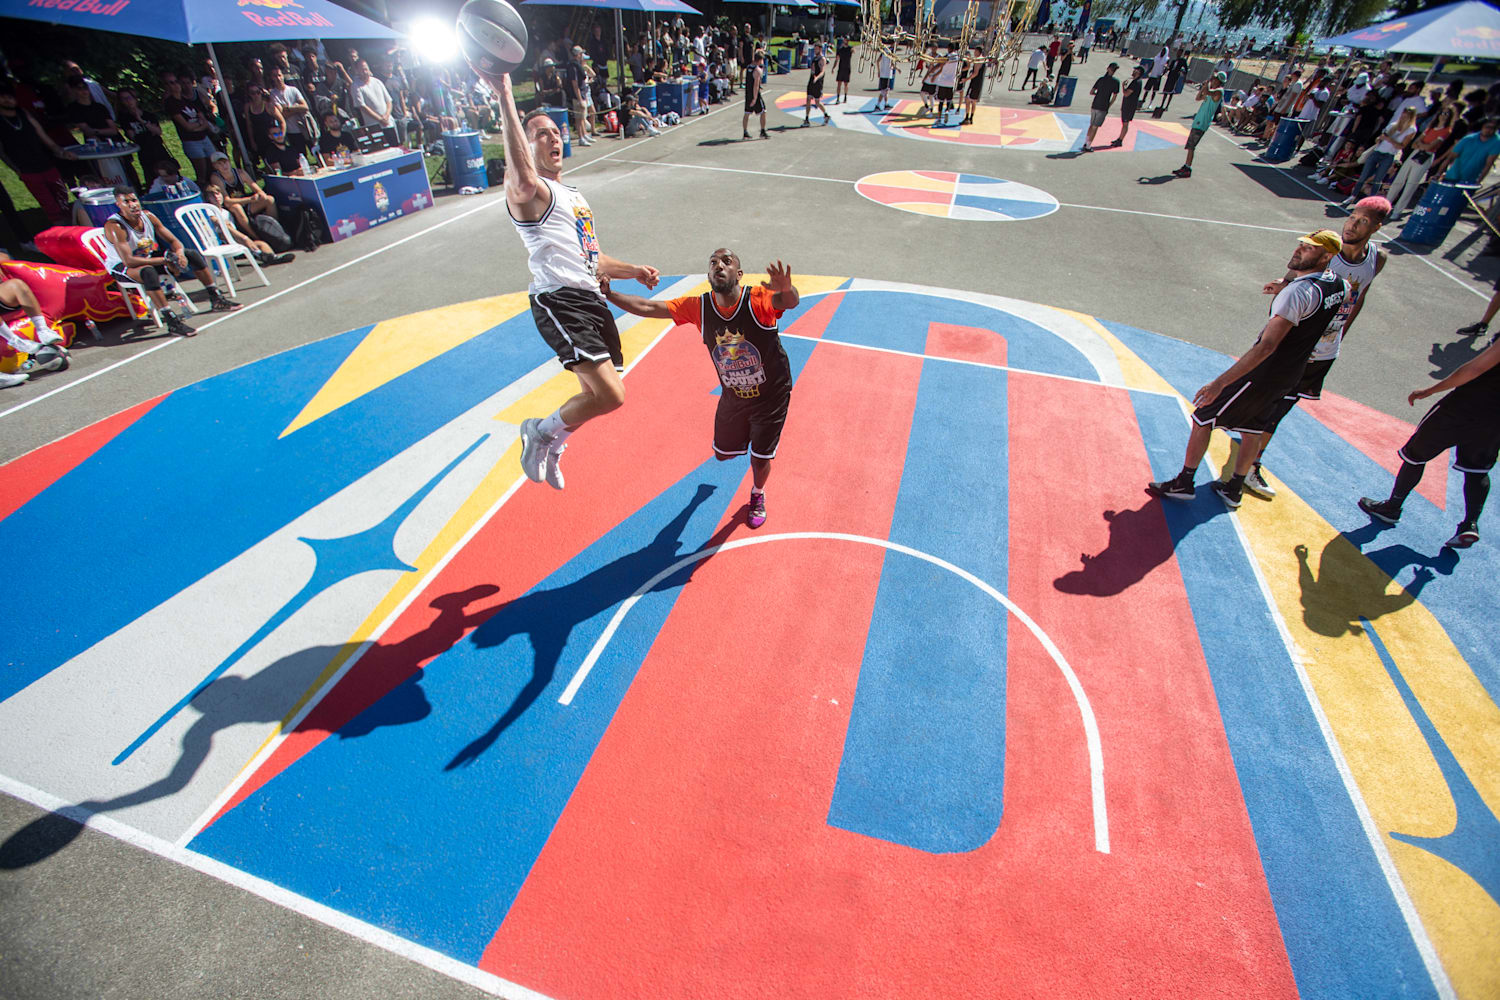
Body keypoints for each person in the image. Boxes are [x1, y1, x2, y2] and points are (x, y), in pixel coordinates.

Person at [491, 70, 660, 491]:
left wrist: (634, 269)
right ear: (525, 147)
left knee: (595, 398)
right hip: (559, 299)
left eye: (556, 132)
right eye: (541, 134)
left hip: (589, 300)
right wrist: (505, 95)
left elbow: (594, 257)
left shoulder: (575, 197)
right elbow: (524, 177)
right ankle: (540, 431)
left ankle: (554, 438)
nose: (553, 138)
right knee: (612, 396)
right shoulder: (527, 191)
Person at [1147, 231, 1348, 507]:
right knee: (1254, 426)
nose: (1299, 250)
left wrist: (1220, 382)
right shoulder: (1340, 286)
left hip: (1264, 372)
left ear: (1326, 256)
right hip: (1292, 373)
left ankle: (1185, 481)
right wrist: (1288, 286)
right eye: (1301, 245)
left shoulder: (1298, 293)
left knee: (1204, 416)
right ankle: (1234, 487)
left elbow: (1267, 346)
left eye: (1309, 249)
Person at [603, 250, 800, 528]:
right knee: (722, 453)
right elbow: (648, 308)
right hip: (734, 395)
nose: (719, 265)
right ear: (709, 276)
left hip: (771, 396)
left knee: (759, 457)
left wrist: (787, 289)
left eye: (726, 262)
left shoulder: (756, 299)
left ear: (739, 275)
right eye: (713, 263)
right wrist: (609, 294)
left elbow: (788, 302)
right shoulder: (699, 307)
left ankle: (757, 494)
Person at [1240, 198, 1391, 500]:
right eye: (1351, 217)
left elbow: (1359, 297)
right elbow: (1291, 283)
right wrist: (1281, 287)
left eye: (1362, 220)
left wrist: (1341, 335)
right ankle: (1248, 461)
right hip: (1297, 347)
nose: (1352, 224)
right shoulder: (1327, 255)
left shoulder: (1377, 258)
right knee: (1266, 402)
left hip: (1324, 350)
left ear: (1376, 227)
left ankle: (1251, 456)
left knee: (1280, 408)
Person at [1358, 332, 1500, 548]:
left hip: (1462, 408)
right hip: (1494, 421)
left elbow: (1474, 369)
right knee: (1477, 469)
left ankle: (1392, 507)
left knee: (1415, 455)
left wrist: (1431, 390)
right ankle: (1470, 524)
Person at [98, 185, 242, 336]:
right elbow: (129, 261)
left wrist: (179, 254)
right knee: (148, 272)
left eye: (134, 200)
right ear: (118, 205)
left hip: (147, 257)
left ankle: (216, 297)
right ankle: (171, 320)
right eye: (126, 202)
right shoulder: (115, 226)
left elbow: (174, 241)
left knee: (191, 254)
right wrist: (165, 260)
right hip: (122, 265)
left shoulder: (148, 217)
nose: (132, 205)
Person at [0, 79, 76, 224]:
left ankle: (73, 225)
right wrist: (17, 170)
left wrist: (59, 151)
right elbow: (2, 152)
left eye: (10, 97)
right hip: (27, 169)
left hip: (46, 162)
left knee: (62, 197)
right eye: (3, 97)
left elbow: (43, 136)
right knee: (49, 205)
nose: (7, 100)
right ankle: (62, 232)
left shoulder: (24, 114)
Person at [200, 181, 294, 267]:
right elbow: (219, 223)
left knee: (262, 244)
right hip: (226, 241)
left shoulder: (225, 212)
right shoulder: (209, 210)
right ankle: (261, 255)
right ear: (208, 198)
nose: (216, 197)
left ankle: (271, 257)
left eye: (218, 193)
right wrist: (244, 238)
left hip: (236, 238)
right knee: (227, 226)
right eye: (212, 195)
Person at [1387, 105, 1455, 221]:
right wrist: (1421, 145)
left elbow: (1431, 146)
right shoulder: (1431, 127)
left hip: (1426, 156)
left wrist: (1423, 146)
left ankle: (1398, 210)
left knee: (1411, 184)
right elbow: (1415, 143)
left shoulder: (1446, 130)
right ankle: (1386, 205)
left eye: (1446, 114)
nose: (1443, 116)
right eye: (1442, 113)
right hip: (1416, 153)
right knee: (1399, 179)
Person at [1343, 106, 1416, 205]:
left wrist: (1390, 140)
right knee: (1364, 175)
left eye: (1407, 115)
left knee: (1378, 179)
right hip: (1378, 151)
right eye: (1404, 113)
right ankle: (1353, 196)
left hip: (1389, 155)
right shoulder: (1393, 125)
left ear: (1411, 117)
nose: (1404, 116)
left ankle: (1370, 201)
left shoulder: (1411, 130)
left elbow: (1402, 145)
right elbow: (1379, 138)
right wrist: (1379, 139)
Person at [162, 74, 217, 184]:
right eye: (171, 83)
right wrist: (199, 124)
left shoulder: (187, 100)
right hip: (191, 141)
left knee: (214, 167)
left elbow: (204, 121)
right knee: (202, 172)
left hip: (204, 138)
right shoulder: (171, 103)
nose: (176, 85)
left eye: (176, 81)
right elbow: (186, 126)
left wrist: (197, 126)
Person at [1172, 71, 1225, 178]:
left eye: (1214, 79)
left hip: (1203, 121)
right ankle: (1186, 165)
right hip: (1199, 120)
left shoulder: (1219, 91)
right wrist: (1203, 87)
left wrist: (1206, 85)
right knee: (1190, 145)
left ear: (1219, 81)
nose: (1213, 80)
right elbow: (1198, 97)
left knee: (1191, 146)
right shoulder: (1212, 91)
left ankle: (1188, 167)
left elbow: (1209, 92)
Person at [1432, 116, 1500, 186]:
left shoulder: (1496, 142)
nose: (1489, 130)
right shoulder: (1468, 139)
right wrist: (1438, 174)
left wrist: (1478, 181)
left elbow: (1488, 164)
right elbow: (1450, 158)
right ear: (1482, 127)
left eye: (1492, 128)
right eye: (1487, 127)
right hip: (1452, 176)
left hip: (1470, 180)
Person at [1082, 62, 1119, 152]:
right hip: (1103, 106)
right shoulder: (1115, 82)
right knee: (1095, 127)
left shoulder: (1101, 79)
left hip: (1095, 103)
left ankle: (1086, 142)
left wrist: (1098, 94)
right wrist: (1108, 105)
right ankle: (1088, 145)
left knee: (1091, 125)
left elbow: (1092, 92)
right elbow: (1114, 97)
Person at [1112, 65, 1144, 147]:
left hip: (1129, 106)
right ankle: (1119, 139)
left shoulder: (1136, 82)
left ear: (1139, 72)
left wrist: (1123, 86)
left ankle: (1120, 140)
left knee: (1125, 124)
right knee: (1125, 123)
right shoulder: (1137, 81)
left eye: (1135, 70)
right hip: (1129, 105)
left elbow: (1126, 94)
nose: (1133, 71)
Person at [803, 36, 830, 126]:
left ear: (820, 49)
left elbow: (822, 71)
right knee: (808, 99)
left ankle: (826, 115)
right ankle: (807, 119)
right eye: (814, 49)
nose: (815, 50)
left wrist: (816, 78)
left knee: (817, 102)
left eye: (816, 49)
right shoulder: (814, 58)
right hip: (811, 81)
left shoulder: (822, 59)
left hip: (817, 82)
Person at [743, 48, 768, 139]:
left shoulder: (749, 67)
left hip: (747, 93)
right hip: (755, 94)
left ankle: (745, 131)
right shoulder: (757, 70)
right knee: (763, 111)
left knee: (747, 113)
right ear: (760, 60)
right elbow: (756, 86)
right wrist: (754, 98)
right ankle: (762, 131)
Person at [961, 47, 987, 125]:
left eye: (975, 51)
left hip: (974, 83)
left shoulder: (978, 60)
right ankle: (971, 118)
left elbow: (975, 73)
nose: (974, 53)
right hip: (979, 83)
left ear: (978, 51)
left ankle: (967, 117)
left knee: (967, 100)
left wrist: (966, 79)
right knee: (974, 101)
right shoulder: (982, 59)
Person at [834, 36, 853, 105]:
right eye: (845, 40)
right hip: (841, 68)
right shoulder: (840, 49)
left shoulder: (850, 48)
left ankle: (845, 96)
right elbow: (837, 59)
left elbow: (853, 51)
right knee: (839, 84)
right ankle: (838, 98)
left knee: (846, 84)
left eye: (847, 40)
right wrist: (833, 67)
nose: (846, 41)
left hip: (847, 68)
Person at [876, 46, 896, 111]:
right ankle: (879, 105)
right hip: (886, 74)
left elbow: (878, 61)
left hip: (884, 74)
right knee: (884, 91)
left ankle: (884, 104)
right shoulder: (890, 52)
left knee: (885, 91)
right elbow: (892, 63)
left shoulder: (884, 51)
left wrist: (879, 71)